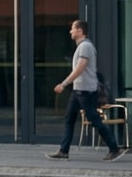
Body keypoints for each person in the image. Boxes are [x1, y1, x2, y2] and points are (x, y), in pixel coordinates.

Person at [47, 19, 123, 162]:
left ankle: (114, 148)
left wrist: (64, 84)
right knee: (69, 119)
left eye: (73, 28)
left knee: (94, 120)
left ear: (80, 31)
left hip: (86, 91)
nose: (70, 31)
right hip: (79, 90)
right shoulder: (82, 47)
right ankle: (64, 151)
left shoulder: (85, 46)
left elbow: (81, 67)